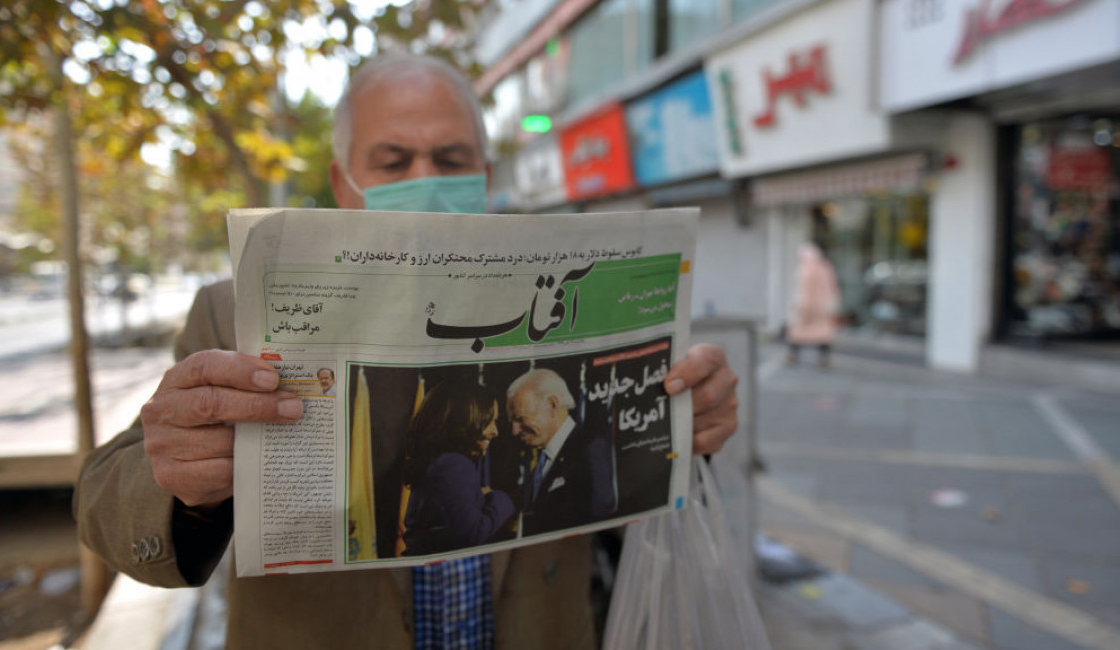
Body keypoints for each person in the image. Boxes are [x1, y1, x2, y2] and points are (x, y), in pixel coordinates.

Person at [74, 53, 740, 650]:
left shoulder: (556, 295)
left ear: (481, 175)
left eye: (449, 161)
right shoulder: (237, 312)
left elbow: (620, 491)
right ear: (343, 184)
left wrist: (686, 424)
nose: (424, 178)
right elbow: (103, 505)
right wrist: (181, 485)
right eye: (393, 162)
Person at [400, 383, 514, 556]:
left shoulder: (439, 462)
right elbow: (472, 536)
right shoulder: (454, 465)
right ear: (466, 419)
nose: (495, 431)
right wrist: (500, 499)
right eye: (489, 420)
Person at [506, 369, 613, 536]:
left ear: (552, 405)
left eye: (520, 418)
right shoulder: (542, 461)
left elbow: (597, 520)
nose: (514, 430)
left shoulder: (590, 449)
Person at [787, 242, 841, 368]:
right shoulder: (825, 267)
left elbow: (803, 290)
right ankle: (823, 359)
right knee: (822, 333)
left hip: (808, 306)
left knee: (799, 332)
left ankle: (794, 355)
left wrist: (800, 306)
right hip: (821, 307)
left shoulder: (805, 270)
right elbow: (831, 287)